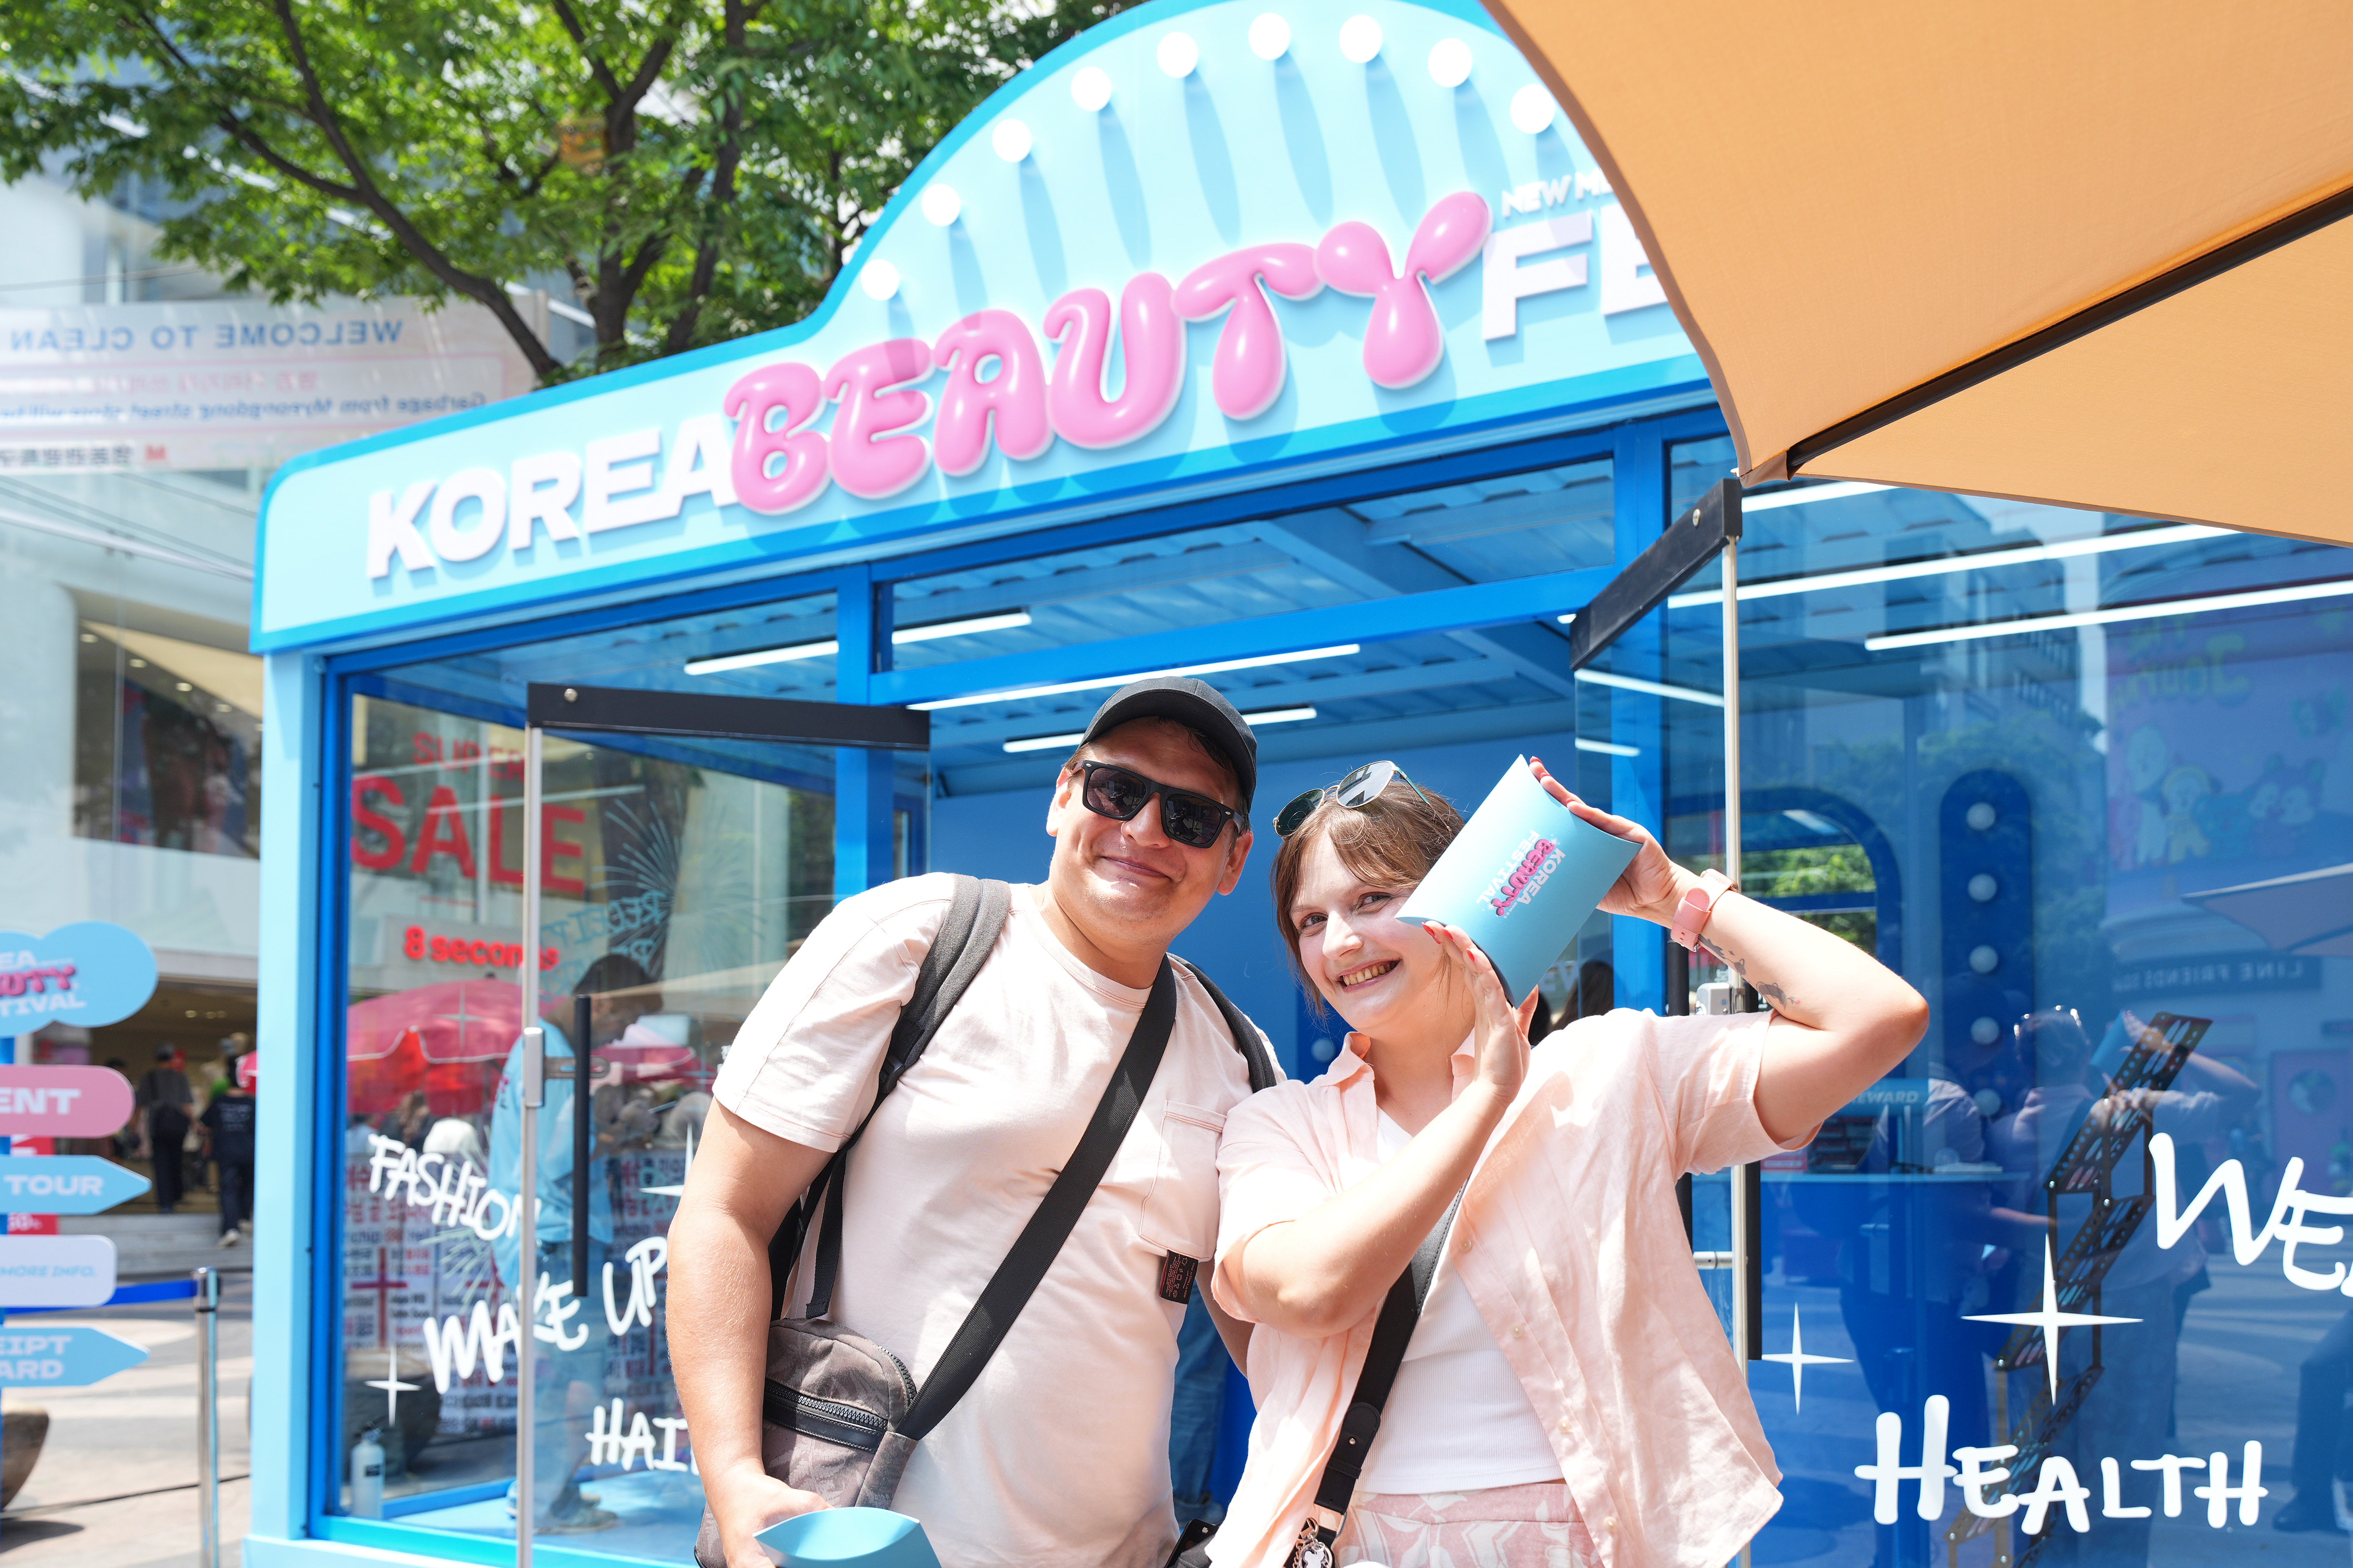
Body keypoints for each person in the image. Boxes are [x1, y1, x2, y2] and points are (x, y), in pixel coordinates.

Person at [1210, 759, 1929, 1568]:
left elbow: (1878, 1019)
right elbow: (1307, 1292)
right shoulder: (1278, 1124)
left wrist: (1676, 898)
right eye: (1310, 920)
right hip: (1356, 1540)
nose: (1340, 941)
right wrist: (1486, 1099)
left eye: (1373, 898)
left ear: (1459, 899)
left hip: (1595, 1537)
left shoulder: (1611, 1067)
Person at [669, 678, 1279, 1568]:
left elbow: (1276, 1328)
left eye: (1191, 817)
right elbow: (725, 1210)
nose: (1147, 829)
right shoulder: (917, 939)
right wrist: (730, 1477)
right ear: (1064, 795)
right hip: (866, 1545)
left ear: (1232, 860)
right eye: (1118, 790)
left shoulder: (1239, 1055)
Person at [487, 951, 663, 1534]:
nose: (620, 1035)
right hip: (560, 1240)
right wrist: (623, 1132)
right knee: (573, 1377)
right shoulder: (559, 1058)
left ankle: (546, 1493)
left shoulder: (535, 1047)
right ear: (604, 1003)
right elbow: (561, 1159)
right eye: (623, 1020)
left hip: (535, 1235)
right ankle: (543, 1501)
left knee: (555, 1374)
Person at [200, 1072, 257, 1247]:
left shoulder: (219, 1101)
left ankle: (231, 1229)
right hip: (249, 1151)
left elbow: (205, 1122)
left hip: (225, 1151)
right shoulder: (252, 1103)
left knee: (228, 1190)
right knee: (249, 1185)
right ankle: (244, 1218)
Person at [139, 1046, 195, 1214]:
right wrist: (195, 1123)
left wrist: (134, 1128)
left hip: (158, 1126)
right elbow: (186, 1105)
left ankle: (165, 1203)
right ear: (172, 1059)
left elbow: (140, 1105)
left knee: (161, 1164)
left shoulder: (148, 1077)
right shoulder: (181, 1077)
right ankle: (176, 1196)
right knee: (176, 1161)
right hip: (178, 1126)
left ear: (155, 1058)